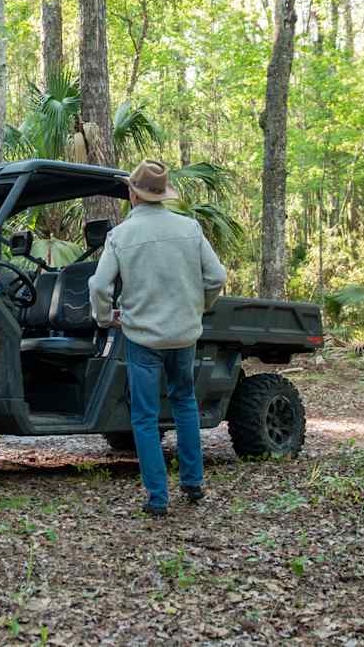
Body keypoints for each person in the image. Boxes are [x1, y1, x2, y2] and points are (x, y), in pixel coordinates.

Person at [88, 159, 228, 517]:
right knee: (184, 404)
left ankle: (157, 497)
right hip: (184, 335)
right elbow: (216, 278)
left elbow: (99, 285)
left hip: (143, 338)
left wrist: (107, 318)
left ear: (133, 193)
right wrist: (199, 308)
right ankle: (193, 483)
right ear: (162, 194)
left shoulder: (120, 236)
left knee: (146, 416)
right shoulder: (190, 228)